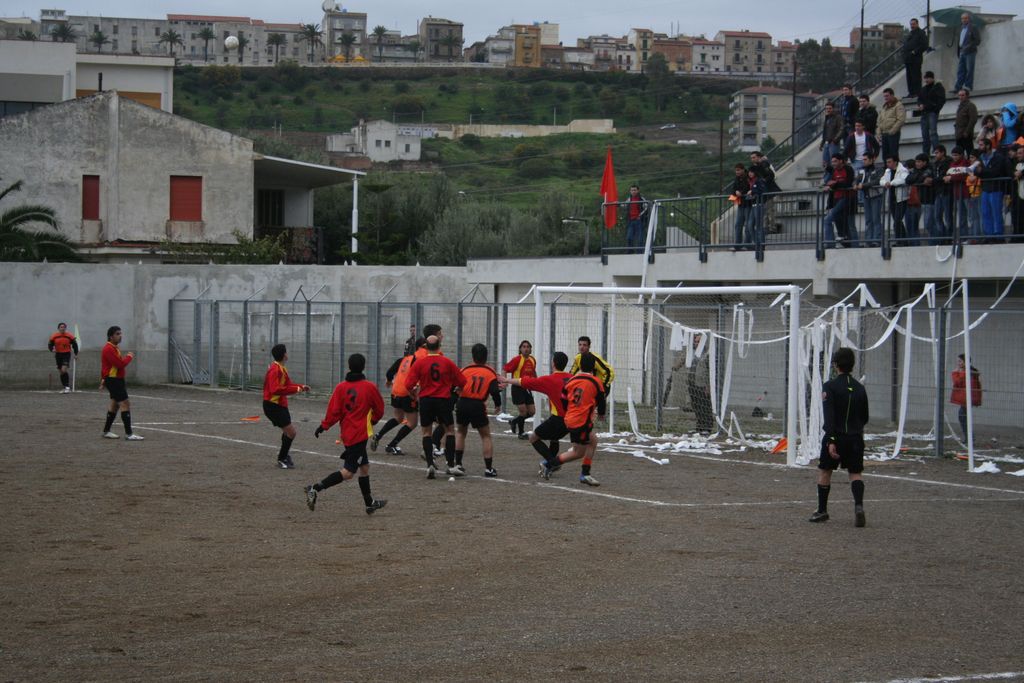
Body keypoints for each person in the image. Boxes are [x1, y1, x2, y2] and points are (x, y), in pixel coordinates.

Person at [305, 353, 387, 515]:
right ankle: (314, 489)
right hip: (358, 436)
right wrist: (373, 421)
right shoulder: (369, 387)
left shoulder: (340, 387)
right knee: (348, 472)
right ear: (363, 367)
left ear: (349, 367)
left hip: (348, 433)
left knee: (364, 467)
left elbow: (334, 411)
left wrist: (324, 426)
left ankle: (369, 503)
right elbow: (380, 408)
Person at [809, 347, 869, 527]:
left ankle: (822, 510)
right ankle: (858, 507)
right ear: (852, 365)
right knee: (855, 473)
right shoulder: (860, 388)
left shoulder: (830, 386)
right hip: (855, 437)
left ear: (835, 364)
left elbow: (830, 416)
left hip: (836, 436)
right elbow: (865, 416)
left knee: (825, 471)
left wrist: (831, 440)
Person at [403, 334, 466, 479]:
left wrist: (413, 393)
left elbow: (408, 384)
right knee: (449, 431)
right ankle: (451, 465)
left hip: (426, 400)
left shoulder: (420, 363)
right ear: (439, 346)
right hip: (443, 400)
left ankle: (430, 464)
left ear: (426, 347)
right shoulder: (447, 362)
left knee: (426, 432)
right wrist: (456, 388)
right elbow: (462, 381)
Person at [500, 351, 573, 475]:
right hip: (572, 420)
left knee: (533, 437)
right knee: (554, 438)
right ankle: (549, 464)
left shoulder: (550, 380)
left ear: (553, 363)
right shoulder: (572, 378)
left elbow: (524, 382)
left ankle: (553, 463)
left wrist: (506, 380)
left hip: (559, 419)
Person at [543, 352, 606, 486]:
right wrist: (601, 413)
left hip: (570, 418)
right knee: (578, 452)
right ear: (593, 367)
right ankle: (549, 464)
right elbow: (602, 400)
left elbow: (563, 399)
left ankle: (585, 473)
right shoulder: (596, 381)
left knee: (593, 441)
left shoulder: (572, 380)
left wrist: (571, 411)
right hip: (581, 421)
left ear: (580, 366)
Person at [456, 343, 502, 477]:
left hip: (463, 403)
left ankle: (458, 464)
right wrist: (498, 405)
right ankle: (488, 468)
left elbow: (456, 386)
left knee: (461, 432)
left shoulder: (465, 370)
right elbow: (494, 391)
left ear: (473, 356)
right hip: (477, 405)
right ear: (486, 357)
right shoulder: (490, 372)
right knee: (485, 436)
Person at [371, 338, 423, 455]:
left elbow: (389, 372)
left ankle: (378, 435)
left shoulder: (402, 360)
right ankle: (392, 445)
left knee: (398, 418)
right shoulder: (419, 361)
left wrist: (389, 381)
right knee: (412, 423)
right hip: (407, 394)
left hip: (396, 392)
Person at [262, 343, 310, 469]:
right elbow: (275, 389)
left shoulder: (281, 368)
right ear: (284, 355)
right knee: (291, 432)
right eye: (286, 352)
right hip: (272, 406)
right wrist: (296, 389)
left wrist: (301, 387)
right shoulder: (275, 369)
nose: (287, 354)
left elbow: (288, 385)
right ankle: (282, 458)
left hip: (280, 405)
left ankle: (283, 455)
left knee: (288, 432)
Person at [100, 325, 143, 441]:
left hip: (115, 379)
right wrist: (129, 357)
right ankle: (129, 434)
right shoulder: (108, 349)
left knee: (114, 404)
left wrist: (103, 379)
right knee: (125, 403)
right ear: (111, 336)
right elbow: (120, 365)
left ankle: (106, 431)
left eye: (120, 333)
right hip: (114, 380)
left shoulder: (114, 347)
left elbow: (107, 366)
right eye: (117, 334)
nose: (120, 336)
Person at [976, 138, 1010, 241]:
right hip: (985, 189)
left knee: (996, 213)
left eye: (981, 145)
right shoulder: (980, 158)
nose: (979, 147)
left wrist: (982, 172)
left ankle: (998, 235)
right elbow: (978, 172)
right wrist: (979, 172)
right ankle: (989, 235)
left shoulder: (998, 157)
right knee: (986, 213)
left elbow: (996, 171)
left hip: (996, 188)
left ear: (988, 146)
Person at [502, 340, 536, 438]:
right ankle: (521, 433)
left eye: (528, 347)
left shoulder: (532, 360)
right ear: (520, 349)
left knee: (532, 412)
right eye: (524, 347)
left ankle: (514, 421)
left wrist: (536, 382)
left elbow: (533, 372)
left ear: (530, 349)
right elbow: (505, 369)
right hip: (517, 388)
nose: (526, 349)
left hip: (527, 388)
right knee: (523, 411)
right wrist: (504, 382)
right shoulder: (517, 359)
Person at [822, 154, 856, 248]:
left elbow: (848, 183)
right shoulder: (834, 171)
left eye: (835, 161)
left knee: (828, 219)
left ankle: (830, 244)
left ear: (841, 161)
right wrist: (831, 185)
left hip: (846, 198)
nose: (833, 163)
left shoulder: (848, 169)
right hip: (836, 199)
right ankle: (848, 243)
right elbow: (832, 185)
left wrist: (835, 184)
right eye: (832, 162)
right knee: (840, 222)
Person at [856, 150, 887, 246]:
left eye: (865, 159)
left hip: (876, 196)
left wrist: (864, 185)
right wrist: (855, 184)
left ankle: (877, 240)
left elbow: (877, 181)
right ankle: (869, 241)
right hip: (866, 197)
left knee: (875, 219)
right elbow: (857, 179)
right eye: (863, 159)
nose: (863, 161)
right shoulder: (862, 170)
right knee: (868, 220)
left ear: (871, 160)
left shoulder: (879, 169)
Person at [686, 334, 715, 434]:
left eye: (698, 341)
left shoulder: (707, 354)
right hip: (692, 382)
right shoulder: (692, 352)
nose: (696, 343)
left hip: (702, 384)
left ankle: (707, 427)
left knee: (705, 406)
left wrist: (708, 386)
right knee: (696, 406)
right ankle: (699, 426)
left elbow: (710, 371)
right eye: (695, 341)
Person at [949, 354, 981, 442]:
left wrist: (955, 373)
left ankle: (969, 438)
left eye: (960, 361)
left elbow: (957, 382)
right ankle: (969, 437)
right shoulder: (969, 371)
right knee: (963, 417)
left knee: (962, 417)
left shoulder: (966, 372)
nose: (958, 363)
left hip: (967, 398)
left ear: (965, 362)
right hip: (968, 398)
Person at [903, 153, 933, 246]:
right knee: (910, 225)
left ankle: (933, 243)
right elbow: (908, 180)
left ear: (925, 162)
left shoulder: (929, 169)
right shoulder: (915, 171)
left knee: (928, 224)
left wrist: (917, 178)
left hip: (927, 200)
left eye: (919, 161)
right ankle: (913, 244)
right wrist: (918, 177)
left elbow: (919, 179)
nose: (917, 164)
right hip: (918, 200)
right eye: (916, 162)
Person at [943, 146, 972, 239]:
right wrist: (948, 178)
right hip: (957, 194)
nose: (954, 157)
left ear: (961, 155)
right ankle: (964, 237)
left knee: (971, 216)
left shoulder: (966, 163)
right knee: (961, 217)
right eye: (953, 155)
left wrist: (951, 178)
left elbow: (964, 175)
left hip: (967, 193)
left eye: (956, 155)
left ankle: (973, 237)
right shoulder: (951, 165)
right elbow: (948, 175)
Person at [880, 155, 910, 245]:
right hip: (892, 199)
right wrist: (886, 183)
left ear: (895, 162)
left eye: (889, 162)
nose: (887, 164)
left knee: (897, 221)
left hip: (901, 199)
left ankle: (902, 241)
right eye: (887, 162)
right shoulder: (887, 171)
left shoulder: (903, 170)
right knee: (896, 221)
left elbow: (903, 180)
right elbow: (881, 180)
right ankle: (900, 241)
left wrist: (891, 183)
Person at [916, 71, 946, 155]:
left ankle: (936, 151)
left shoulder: (938, 87)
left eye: (928, 78)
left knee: (933, 133)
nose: (926, 80)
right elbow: (919, 99)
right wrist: (920, 104)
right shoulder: (923, 89)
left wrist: (935, 109)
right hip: (924, 113)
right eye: (925, 78)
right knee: (925, 135)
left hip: (932, 112)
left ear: (932, 78)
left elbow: (941, 100)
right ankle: (926, 153)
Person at [953, 12, 981, 94]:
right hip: (962, 52)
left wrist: (968, 46)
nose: (964, 20)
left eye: (965, 18)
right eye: (962, 18)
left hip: (970, 52)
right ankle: (958, 87)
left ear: (969, 19)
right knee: (960, 70)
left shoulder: (973, 27)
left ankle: (968, 86)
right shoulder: (961, 28)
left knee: (969, 70)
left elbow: (977, 40)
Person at [48, 321, 79, 393]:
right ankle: (65, 387)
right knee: (61, 372)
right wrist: (52, 349)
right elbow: (50, 344)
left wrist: (76, 354)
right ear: (58, 328)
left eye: (64, 327)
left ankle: (67, 387)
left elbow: (75, 345)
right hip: (58, 354)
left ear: (65, 328)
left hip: (66, 354)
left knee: (64, 370)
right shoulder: (54, 336)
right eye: (61, 327)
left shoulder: (69, 336)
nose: (63, 328)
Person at [901, 18, 928, 98]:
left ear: (917, 24)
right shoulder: (910, 34)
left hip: (916, 59)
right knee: (909, 77)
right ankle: (911, 92)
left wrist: (914, 52)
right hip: (908, 59)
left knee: (916, 76)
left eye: (913, 24)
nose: (912, 26)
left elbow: (924, 45)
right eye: (911, 24)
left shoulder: (921, 33)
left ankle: (917, 92)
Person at [878, 89, 906, 163]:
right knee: (885, 154)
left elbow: (901, 120)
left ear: (892, 95)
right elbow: (879, 121)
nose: (885, 98)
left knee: (893, 154)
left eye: (887, 96)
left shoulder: (898, 105)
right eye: (884, 96)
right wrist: (878, 133)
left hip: (893, 133)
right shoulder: (884, 107)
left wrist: (892, 131)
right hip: (884, 133)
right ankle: (886, 168)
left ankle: (896, 168)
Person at [932, 145, 953, 239]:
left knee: (948, 215)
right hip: (938, 192)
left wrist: (935, 180)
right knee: (937, 215)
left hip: (946, 191)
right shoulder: (935, 164)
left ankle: (949, 236)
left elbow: (944, 176)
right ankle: (942, 236)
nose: (935, 155)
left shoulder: (948, 162)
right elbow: (938, 177)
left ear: (943, 152)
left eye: (937, 153)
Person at [730, 164, 753, 249]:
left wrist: (741, 192)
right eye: (736, 170)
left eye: (738, 170)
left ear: (743, 169)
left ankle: (747, 244)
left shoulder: (748, 177)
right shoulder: (736, 178)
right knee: (738, 225)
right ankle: (737, 245)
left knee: (748, 225)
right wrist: (736, 191)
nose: (737, 172)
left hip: (748, 204)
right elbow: (733, 189)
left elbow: (749, 187)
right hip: (740, 204)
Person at [819, 101, 844, 176]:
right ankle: (827, 178)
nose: (828, 110)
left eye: (830, 108)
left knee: (834, 162)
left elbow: (841, 129)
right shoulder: (827, 118)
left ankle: (835, 177)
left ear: (833, 108)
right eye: (827, 108)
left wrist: (835, 140)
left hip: (834, 143)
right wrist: (822, 143)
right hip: (826, 143)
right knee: (825, 162)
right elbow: (825, 132)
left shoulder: (838, 117)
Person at [623, 184, 649, 253]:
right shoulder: (629, 199)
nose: (633, 191)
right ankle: (630, 251)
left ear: (638, 191)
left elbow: (646, 207)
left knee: (640, 238)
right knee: (629, 237)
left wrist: (640, 215)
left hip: (639, 220)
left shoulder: (641, 199)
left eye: (634, 190)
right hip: (631, 220)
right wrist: (617, 204)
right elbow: (624, 205)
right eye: (632, 190)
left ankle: (639, 252)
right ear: (630, 191)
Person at [954, 89, 979, 157]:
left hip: (966, 134)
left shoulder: (971, 106)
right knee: (959, 154)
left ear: (967, 96)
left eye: (963, 95)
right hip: (959, 134)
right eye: (959, 95)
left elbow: (973, 119)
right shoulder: (960, 106)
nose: (961, 97)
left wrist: (967, 132)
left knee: (969, 153)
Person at [1012, 145, 1024, 237]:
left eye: (1020, 153)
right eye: (1017, 153)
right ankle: (1017, 236)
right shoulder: (1017, 164)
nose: (1018, 155)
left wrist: (1021, 173)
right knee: (1018, 217)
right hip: (1019, 194)